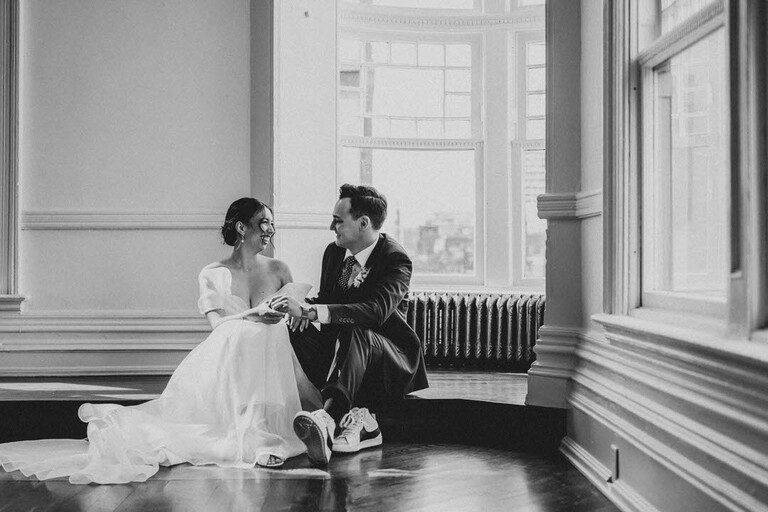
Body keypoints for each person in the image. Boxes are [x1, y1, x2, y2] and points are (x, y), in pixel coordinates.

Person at [0, 197, 321, 484]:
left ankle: (305, 419)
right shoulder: (213, 272)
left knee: (271, 334)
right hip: (230, 357)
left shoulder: (279, 269)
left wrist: (295, 311)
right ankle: (250, 433)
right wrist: (253, 317)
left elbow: (294, 312)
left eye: (271, 223)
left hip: (275, 358)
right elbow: (218, 324)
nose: (270, 230)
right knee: (250, 333)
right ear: (241, 226)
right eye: (264, 222)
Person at [270, 184, 428, 467]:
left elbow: (376, 311)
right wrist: (294, 306)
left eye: (338, 220)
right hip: (341, 351)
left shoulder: (394, 257)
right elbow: (329, 300)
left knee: (358, 330)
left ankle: (328, 419)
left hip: (388, 358)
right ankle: (307, 409)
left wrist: (310, 311)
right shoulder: (333, 253)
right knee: (288, 326)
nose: (332, 226)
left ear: (364, 223)